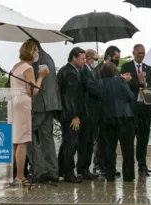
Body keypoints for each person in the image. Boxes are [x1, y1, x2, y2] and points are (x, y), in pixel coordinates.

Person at [8, 41, 49, 185]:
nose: (38, 53)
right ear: (30, 52)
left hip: (13, 102)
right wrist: (41, 76)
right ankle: (20, 176)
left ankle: (11, 174)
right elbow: (32, 91)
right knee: (22, 141)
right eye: (36, 50)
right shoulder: (28, 68)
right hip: (23, 104)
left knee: (14, 140)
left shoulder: (15, 67)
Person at [24, 38, 60, 182]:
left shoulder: (37, 61)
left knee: (26, 134)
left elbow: (32, 83)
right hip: (50, 104)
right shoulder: (48, 57)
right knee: (47, 138)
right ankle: (53, 171)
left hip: (39, 104)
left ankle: (39, 169)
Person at [121, 44, 151, 176]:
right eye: (139, 53)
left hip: (145, 108)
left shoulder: (149, 68)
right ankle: (130, 165)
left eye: (143, 53)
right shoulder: (126, 67)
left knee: (144, 137)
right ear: (134, 53)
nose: (141, 55)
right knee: (131, 137)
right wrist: (139, 81)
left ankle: (142, 164)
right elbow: (124, 84)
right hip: (131, 108)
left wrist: (146, 83)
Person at [98, 62, 135, 182]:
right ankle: (128, 176)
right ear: (115, 71)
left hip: (106, 118)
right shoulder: (120, 80)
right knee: (127, 148)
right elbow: (131, 96)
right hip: (124, 117)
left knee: (109, 148)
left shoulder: (99, 83)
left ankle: (110, 175)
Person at [57, 47, 86, 183]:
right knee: (71, 143)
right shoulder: (71, 73)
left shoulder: (66, 70)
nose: (84, 62)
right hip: (70, 115)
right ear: (74, 58)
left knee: (66, 142)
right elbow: (70, 97)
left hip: (64, 113)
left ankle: (61, 169)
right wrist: (74, 116)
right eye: (82, 59)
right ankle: (69, 172)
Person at [77, 49, 100, 179]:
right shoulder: (85, 71)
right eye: (96, 59)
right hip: (87, 112)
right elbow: (92, 89)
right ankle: (83, 169)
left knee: (89, 141)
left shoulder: (90, 71)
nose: (96, 62)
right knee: (86, 141)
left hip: (91, 112)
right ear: (89, 58)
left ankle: (85, 167)